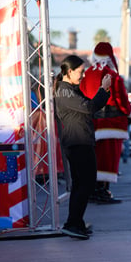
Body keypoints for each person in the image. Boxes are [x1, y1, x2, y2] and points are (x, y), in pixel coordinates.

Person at [54, 55, 111, 239]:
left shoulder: (69, 89)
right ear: (69, 71)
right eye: (80, 72)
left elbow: (88, 107)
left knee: (81, 184)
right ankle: (72, 223)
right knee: (85, 183)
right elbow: (90, 107)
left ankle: (76, 223)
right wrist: (104, 89)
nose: (83, 75)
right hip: (78, 142)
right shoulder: (65, 91)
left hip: (79, 141)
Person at [80, 42, 131, 204]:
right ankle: (103, 191)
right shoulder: (113, 76)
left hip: (91, 123)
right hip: (112, 123)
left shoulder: (86, 74)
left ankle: (93, 190)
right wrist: (129, 112)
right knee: (109, 158)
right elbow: (122, 101)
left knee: (94, 158)